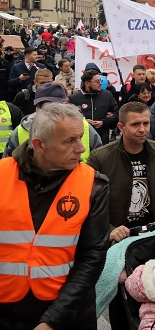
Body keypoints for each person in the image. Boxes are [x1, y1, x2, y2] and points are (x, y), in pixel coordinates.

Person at [0, 103, 109, 329]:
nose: (81, 148)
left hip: (69, 314)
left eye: (81, 137)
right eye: (70, 141)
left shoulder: (93, 185)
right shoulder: (2, 176)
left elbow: (92, 258)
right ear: (40, 145)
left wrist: (52, 320)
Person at [86, 101, 155, 243]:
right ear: (121, 127)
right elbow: (88, 201)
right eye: (135, 124)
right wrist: (109, 229)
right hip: (118, 239)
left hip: (153, 233)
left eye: (146, 123)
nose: (142, 129)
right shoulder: (100, 157)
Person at [6, 81, 102, 159]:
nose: (47, 111)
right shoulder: (20, 131)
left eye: (54, 107)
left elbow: (99, 160)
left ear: (65, 103)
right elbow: (9, 168)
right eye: (42, 106)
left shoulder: (83, 126)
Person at [69, 70, 119, 145]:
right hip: (82, 141)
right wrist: (84, 122)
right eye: (97, 81)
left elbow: (117, 114)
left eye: (101, 81)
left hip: (103, 140)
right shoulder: (74, 98)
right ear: (87, 83)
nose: (100, 83)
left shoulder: (107, 95)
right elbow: (69, 119)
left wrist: (103, 122)